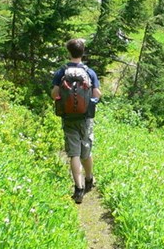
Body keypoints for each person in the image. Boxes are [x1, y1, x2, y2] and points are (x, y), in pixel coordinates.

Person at [51, 38, 101, 204]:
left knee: (74, 153)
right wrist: (90, 103)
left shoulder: (61, 71)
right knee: (86, 150)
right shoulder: (89, 72)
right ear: (83, 52)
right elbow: (97, 94)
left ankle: (78, 188)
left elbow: (54, 93)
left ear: (69, 52)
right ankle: (89, 178)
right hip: (85, 118)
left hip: (68, 118)